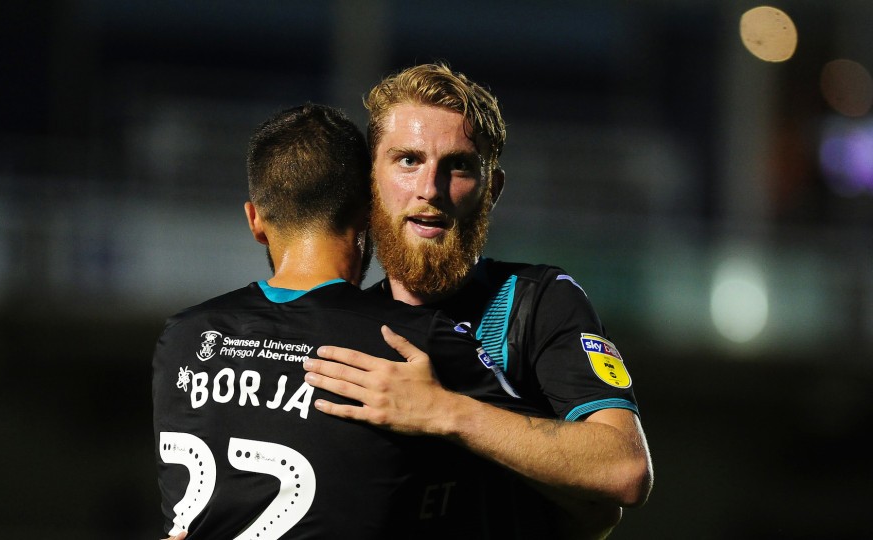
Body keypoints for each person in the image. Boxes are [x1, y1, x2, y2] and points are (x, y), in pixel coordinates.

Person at [152, 103, 546, 539]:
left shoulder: (183, 337)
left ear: (255, 221)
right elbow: (577, 474)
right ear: (370, 210)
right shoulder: (411, 341)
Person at [302, 63, 654, 539]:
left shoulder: (537, 301)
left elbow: (624, 468)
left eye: (459, 165)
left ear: (493, 189)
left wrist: (443, 411)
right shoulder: (344, 329)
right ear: (371, 181)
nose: (430, 188)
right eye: (408, 160)